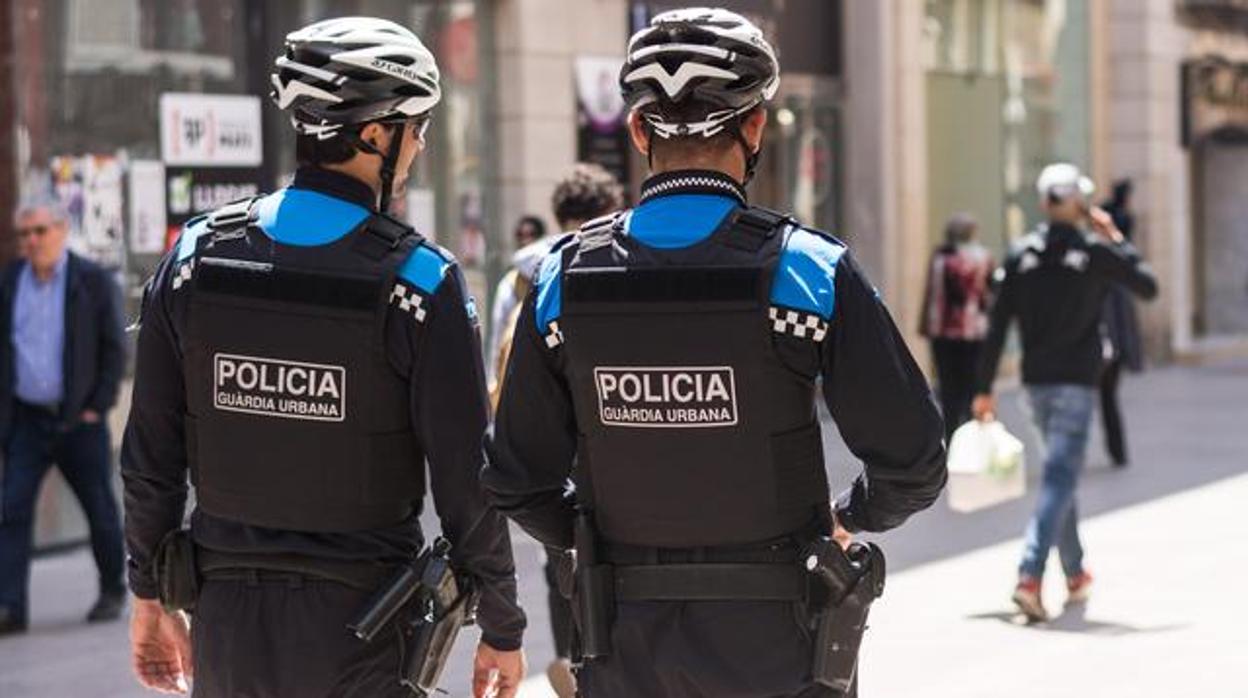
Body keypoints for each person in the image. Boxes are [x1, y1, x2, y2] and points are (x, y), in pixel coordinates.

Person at [483, 8, 947, 697]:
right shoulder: (810, 272)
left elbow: (517, 479)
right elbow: (913, 462)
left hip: (625, 645)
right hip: (781, 648)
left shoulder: (560, 279)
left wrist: (592, 541)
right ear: (755, 125)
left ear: (638, 130)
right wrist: (848, 518)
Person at [121, 17, 525, 697]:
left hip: (226, 622)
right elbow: (465, 475)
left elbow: (149, 455)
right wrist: (504, 626)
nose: (421, 146)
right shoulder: (418, 282)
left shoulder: (195, 258)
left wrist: (147, 598)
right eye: (416, 128)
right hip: (362, 628)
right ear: (375, 134)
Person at [973, 163, 1158, 623]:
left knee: (1062, 475)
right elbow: (1147, 285)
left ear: (1043, 203)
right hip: (1076, 383)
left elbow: (996, 328)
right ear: (1078, 204)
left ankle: (1075, 575)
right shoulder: (1095, 251)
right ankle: (1029, 577)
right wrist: (1114, 236)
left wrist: (983, 388)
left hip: (1035, 386)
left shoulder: (1021, 255)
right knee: (1059, 478)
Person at [489, 163, 623, 698]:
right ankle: (602, 654)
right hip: (609, 436)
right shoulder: (616, 264)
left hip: (545, 442)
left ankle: (571, 658)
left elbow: (496, 362)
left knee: (558, 553)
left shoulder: (523, 275)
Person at [0, 201, 127, 636]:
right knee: (12, 510)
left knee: (99, 509)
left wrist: (97, 405)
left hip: (79, 421)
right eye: (24, 234)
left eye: (39, 231)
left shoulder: (91, 281)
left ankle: (112, 588)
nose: (31, 241)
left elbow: (115, 349)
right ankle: (9, 606)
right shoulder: (11, 281)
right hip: (27, 421)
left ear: (60, 229)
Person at [919, 213, 995, 439]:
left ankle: (952, 435)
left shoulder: (940, 257)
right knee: (973, 383)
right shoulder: (984, 257)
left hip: (944, 332)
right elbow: (990, 295)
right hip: (977, 332)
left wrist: (925, 325)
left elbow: (932, 294)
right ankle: (972, 433)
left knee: (948, 386)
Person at [1098, 179, 1144, 467]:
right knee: (1105, 398)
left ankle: (1117, 451)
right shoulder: (1089, 260)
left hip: (1100, 347)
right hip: (1085, 351)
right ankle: (1118, 452)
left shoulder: (1107, 271)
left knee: (1106, 397)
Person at [488, 215, 548, 380]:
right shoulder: (510, 283)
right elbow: (498, 333)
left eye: (531, 235)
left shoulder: (510, 282)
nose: (525, 240)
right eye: (520, 235)